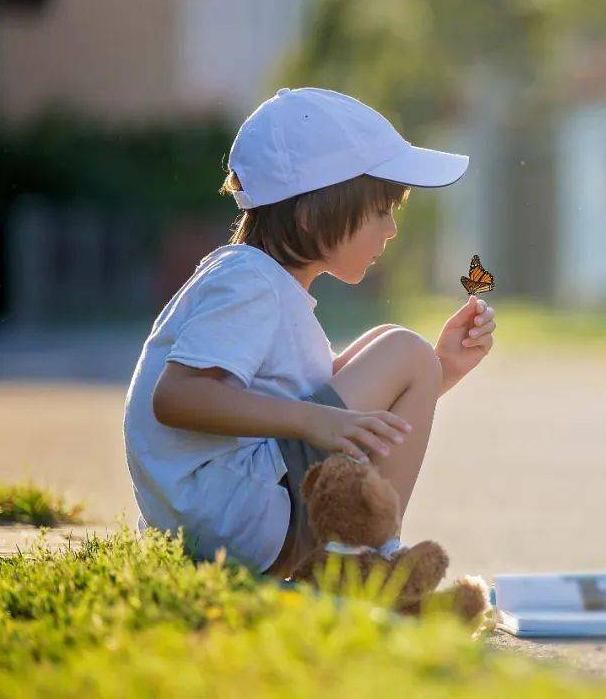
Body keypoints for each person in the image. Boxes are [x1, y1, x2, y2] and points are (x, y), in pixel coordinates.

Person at [123, 87, 496, 578]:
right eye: (382, 210)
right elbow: (176, 397)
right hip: (236, 516)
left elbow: (328, 411)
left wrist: (439, 370)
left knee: (402, 351)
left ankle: (363, 560)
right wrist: (308, 420)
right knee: (402, 350)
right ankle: (371, 563)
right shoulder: (248, 281)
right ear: (312, 211)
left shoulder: (265, 285)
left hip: (235, 511)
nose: (391, 230)